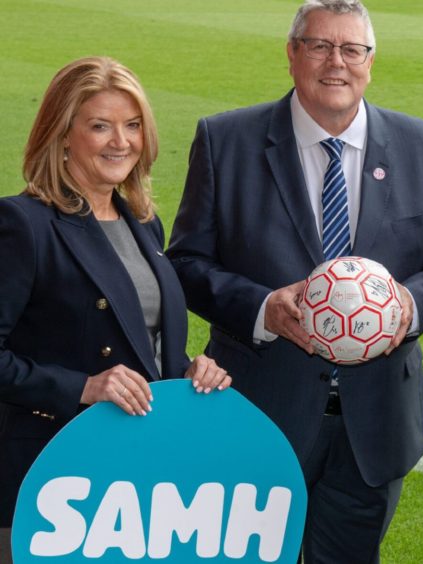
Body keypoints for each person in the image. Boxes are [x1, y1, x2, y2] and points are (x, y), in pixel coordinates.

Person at [166, 1, 423, 562]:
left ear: (370, 61)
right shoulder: (225, 141)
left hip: (375, 425)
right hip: (258, 410)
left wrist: (405, 308)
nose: (337, 62)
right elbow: (184, 263)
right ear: (292, 54)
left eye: (352, 49)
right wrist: (262, 309)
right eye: (320, 46)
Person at [0, 56, 231, 562]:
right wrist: (82, 386)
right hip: (48, 479)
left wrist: (189, 369)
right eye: (99, 126)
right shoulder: (23, 224)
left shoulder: (144, 225)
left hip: (131, 479)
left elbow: (137, 337)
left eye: (131, 126)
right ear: (62, 136)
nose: (120, 142)